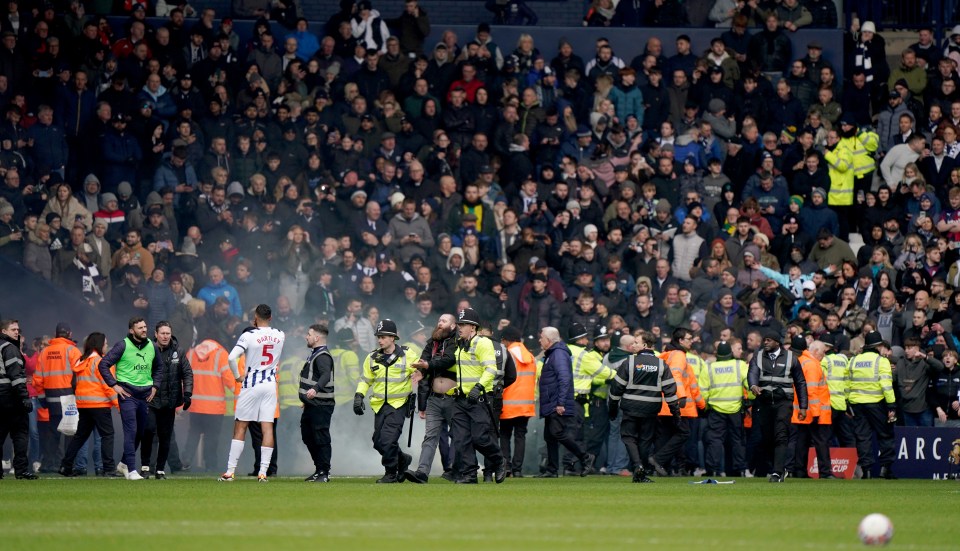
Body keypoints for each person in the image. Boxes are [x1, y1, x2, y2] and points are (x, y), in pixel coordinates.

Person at [218, 304, 286, 482]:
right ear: (271, 317)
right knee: (267, 428)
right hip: (270, 385)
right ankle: (263, 473)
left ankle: (230, 472)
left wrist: (238, 376)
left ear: (255, 318)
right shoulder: (280, 334)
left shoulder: (248, 335)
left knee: (241, 426)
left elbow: (232, 357)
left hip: (251, 384)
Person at [353, 319, 420, 483]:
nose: (380, 340)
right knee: (378, 442)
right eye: (379, 337)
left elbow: (421, 371)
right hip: (379, 406)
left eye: (383, 337)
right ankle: (402, 459)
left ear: (393, 337)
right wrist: (359, 395)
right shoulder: (371, 357)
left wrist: (420, 375)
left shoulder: (408, 354)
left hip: (399, 405)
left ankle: (390, 473)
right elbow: (365, 379)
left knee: (388, 440)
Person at [98, 317, 165, 480]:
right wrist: (114, 385)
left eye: (145, 327)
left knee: (140, 432)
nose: (144, 330)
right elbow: (103, 364)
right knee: (131, 431)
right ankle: (132, 471)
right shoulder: (123, 345)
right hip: (127, 395)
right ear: (131, 330)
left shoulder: (152, 346)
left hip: (145, 396)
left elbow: (160, 367)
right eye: (140, 327)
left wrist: (155, 386)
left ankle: (123, 464)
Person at [609, 330, 679, 483]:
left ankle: (637, 466)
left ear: (645, 345)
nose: (633, 345)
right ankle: (642, 470)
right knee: (645, 440)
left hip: (631, 407)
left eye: (636, 342)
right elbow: (670, 390)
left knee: (628, 437)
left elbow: (617, 387)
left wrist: (612, 407)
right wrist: (676, 412)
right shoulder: (661, 364)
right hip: (651, 409)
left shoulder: (630, 362)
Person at [450, 308, 508, 483]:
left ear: (473, 328)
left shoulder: (482, 343)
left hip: (478, 399)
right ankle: (470, 474)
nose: (460, 327)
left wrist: (479, 386)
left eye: (463, 325)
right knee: (461, 440)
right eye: (459, 324)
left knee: (480, 438)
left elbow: (491, 369)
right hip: (460, 399)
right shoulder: (460, 344)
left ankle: (499, 461)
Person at [747, 327, 807, 483]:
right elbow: (752, 372)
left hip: (783, 402)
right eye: (764, 340)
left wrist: (803, 406)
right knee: (766, 438)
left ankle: (777, 472)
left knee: (781, 435)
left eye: (768, 340)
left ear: (777, 342)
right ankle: (777, 467)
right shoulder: (758, 356)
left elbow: (800, 382)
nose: (765, 343)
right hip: (764, 401)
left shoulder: (791, 358)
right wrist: (753, 385)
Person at [536, 326, 595, 478]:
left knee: (557, 433)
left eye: (541, 337)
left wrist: (560, 403)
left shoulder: (558, 354)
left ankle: (585, 457)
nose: (539, 340)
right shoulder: (553, 353)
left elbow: (565, 378)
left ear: (548, 340)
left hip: (556, 402)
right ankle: (552, 470)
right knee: (549, 436)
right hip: (552, 402)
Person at [405, 313, 457, 484]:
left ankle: (455, 469)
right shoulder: (431, 342)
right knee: (430, 436)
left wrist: (427, 366)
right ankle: (422, 472)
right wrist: (422, 371)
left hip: (453, 398)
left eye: (444, 321)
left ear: (453, 326)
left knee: (458, 435)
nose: (440, 323)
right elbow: (423, 362)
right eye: (439, 320)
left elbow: (448, 360)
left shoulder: (457, 342)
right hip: (434, 399)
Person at [59, 332, 119, 478]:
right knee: (108, 435)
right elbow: (108, 386)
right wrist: (119, 405)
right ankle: (109, 469)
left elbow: (74, 384)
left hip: (83, 405)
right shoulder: (101, 362)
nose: (106, 346)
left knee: (80, 436)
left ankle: (66, 467)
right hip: (99, 405)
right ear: (99, 345)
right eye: (105, 343)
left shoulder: (82, 360)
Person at [139, 322, 193, 480]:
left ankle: (160, 470)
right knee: (148, 431)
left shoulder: (178, 351)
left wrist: (188, 394)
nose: (165, 336)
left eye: (167, 333)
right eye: (162, 333)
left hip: (169, 401)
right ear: (155, 334)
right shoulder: (146, 351)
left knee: (165, 435)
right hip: (150, 399)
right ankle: (145, 467)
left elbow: (187, 373)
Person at [563, 322, 613, 475]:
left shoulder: (564, 350)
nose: (587, 341)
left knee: (564, 433)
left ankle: (574, 464)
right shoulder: (586, 355)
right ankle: (579, 463)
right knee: (579, 435)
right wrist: (622, 377)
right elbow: (602, 374)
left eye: (607, 339)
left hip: (568, 399)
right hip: (584, 401)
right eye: (601, 340)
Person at [846, 331, 897, 479]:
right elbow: (886, 385)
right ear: (879, 346)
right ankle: (885, 469)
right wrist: (892, 406)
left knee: (863, 437)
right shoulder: (882, 361)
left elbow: (847, 384)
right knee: (885, 435)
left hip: (857, 405)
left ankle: (866, 471)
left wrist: (847, 403)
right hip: (877, 404)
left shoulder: (854, 360)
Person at [35, 322, 82, 473]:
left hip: (51, 398)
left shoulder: (45, 352)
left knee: (53, 433)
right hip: (69, 398)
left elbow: (37, 379)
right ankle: (67, 465)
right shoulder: (72, 351)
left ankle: (48, 464)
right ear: (69, 334)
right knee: (69, 432)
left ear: (56, 334)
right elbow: (80, 376)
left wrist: (42, 398)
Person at [699, 340, 748, 477]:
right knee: (737, 440)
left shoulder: (709, 368)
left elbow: (703, 392)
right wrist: (750, 399)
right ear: (731, 353)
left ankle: (712, 469)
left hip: (716, 410)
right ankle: (739, 469)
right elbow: (750, 383)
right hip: (736, 409)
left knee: (715, 440)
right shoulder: (740, 365)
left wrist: (706, 406)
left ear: (717, 354)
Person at [788, 337, 832, 479]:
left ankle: (799, 471)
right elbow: (811, 391)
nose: (824, 356)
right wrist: (816, 412)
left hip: (800, 410)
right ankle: (825, 473)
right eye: (823, 353)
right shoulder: (812, 364)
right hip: (813, 411)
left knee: (802, 442)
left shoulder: (799, 361)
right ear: (815, 351)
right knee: (821, 442)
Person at [0, 319, 37, 479]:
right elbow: (16, 375)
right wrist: (24, 397)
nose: (17, 332)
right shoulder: (10, 348)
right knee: (20, 434)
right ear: (3, 331)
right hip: (11, 397)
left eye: (17, 329)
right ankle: (21, 471)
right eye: (13, 329)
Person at [499, 325, 536, 478]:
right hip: (526, 404)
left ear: (506, 340)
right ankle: (518, 469)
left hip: (508, 403)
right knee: (520, 436)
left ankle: (506, 466)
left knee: (505, 435)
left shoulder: (507, 354)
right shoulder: (530, 356)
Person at [300, 324, 335, 483]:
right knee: (308, 436)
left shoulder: (322, 356)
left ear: (317, 338)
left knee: (320, 437)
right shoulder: (315, 354)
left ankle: (324, 472)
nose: (306, 337)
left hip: (321, 404)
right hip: (312, 404)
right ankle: (319, 469)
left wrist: (315, 389)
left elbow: (326, 375)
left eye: (309, 334)